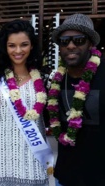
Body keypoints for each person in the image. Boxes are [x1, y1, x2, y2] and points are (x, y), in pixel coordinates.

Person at [0, 19, 53, 186]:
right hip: (1, 162)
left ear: (32, 46)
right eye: (11, 45)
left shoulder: (44, 79)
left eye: (24, 45)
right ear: (4, 47)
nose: (18, 51)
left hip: (33, 161)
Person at [47, 13, 105, 186]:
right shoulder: (56, 79)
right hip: (65, 176)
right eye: (64, 41)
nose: (71, 46)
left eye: (78, 40)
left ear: (90, 44)